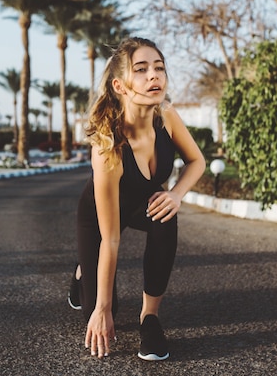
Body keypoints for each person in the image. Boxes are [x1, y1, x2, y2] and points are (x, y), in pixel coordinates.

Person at [68, 37, 206, 361]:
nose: (153, 76)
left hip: (143, 207)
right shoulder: (107, 146)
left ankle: (151, 318)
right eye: (141, 70)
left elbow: (196, 161)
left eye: (159, 68)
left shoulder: (167, 116)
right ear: (120, 85)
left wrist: (175, 194)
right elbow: (111, 240)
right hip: (100, 221)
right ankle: (80, 273)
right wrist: (101, 309)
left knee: (165, 212)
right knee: (102, 307)